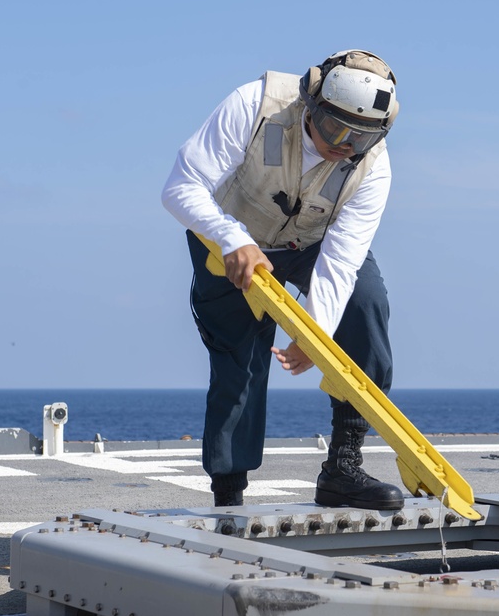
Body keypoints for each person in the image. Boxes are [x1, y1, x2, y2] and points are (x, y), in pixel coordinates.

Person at [161, 50, 405, 512]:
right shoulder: (255, 105)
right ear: (311, 105)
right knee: (240, 357)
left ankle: (343, 467)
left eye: (362, 137)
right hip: (228, 235)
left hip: (312, 243)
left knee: (366, 304)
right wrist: (232, 239)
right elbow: (181, 186)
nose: (344, 145)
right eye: (335, 129)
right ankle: (229, 497)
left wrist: (315, 334)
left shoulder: (374, 167)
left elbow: (342, 258)